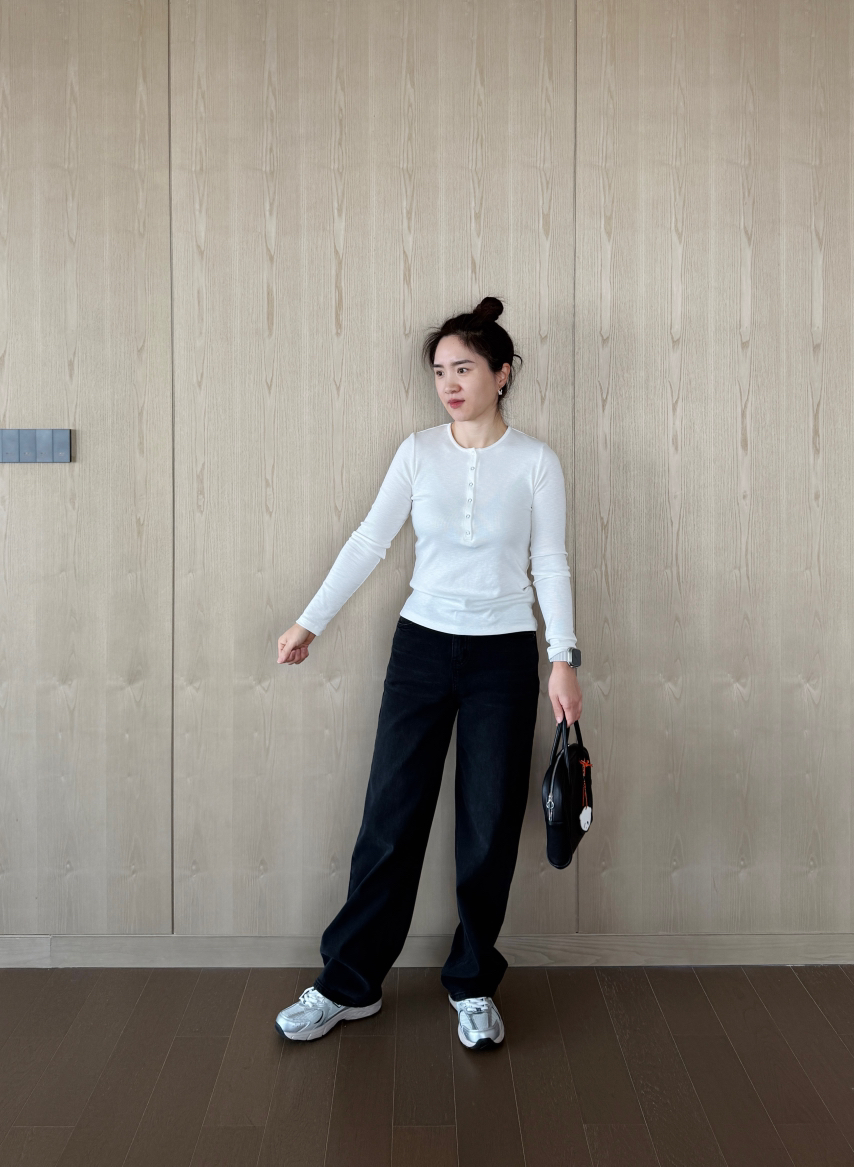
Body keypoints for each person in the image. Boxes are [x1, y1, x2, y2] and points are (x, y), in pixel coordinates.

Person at [274, 297, 582, 1050]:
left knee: (488, 825)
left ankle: (473, 984)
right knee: (391, 817)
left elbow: (550, 561)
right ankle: (349, 984)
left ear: (502, 374)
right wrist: (310, 620)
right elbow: (369, 541)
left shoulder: (537, 462)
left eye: (464, 369)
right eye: (440, 371)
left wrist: (563, 658)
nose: (449, 383)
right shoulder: (417, 452)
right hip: (420, 648)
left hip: (503, 655)